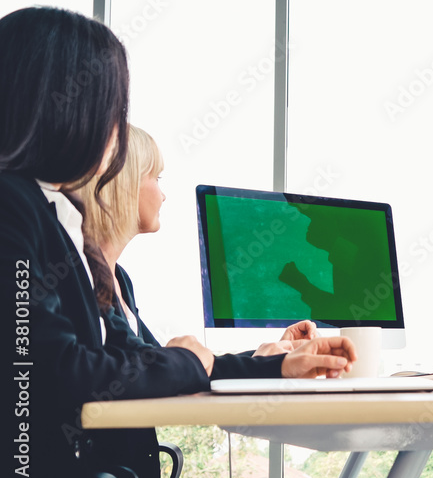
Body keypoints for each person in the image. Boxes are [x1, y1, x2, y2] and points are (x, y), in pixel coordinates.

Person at [1, 7, 355, 478]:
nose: (116, 131)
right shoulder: (13, 206)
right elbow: (59, 373)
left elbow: (133, 358)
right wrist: (188, 360)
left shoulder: (56, 217)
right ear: (61, 106)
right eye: (111, 110)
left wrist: (275, 364)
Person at [77, 124, 313, 356]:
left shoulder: (120, 278)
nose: (164, 195)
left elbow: (159, 363)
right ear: (125, 184)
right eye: (157, 178)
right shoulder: (83, 277)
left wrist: (262, 357)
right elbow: (157, 368)